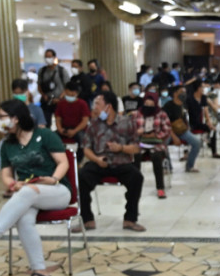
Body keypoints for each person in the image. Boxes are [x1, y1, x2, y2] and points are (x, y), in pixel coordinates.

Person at [0, 99, 70, 276]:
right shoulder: (8, 145)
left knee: (28, 192)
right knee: (23, 219)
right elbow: (6, 175)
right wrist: (13, 184)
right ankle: (40, 272)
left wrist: (54, 179)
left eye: (2, 117)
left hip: (57, 191)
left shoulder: (45, 135)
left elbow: (63, 162)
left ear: (16, 118)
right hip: (28, 193)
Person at [77, 92, 145, 232]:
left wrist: (121, 148)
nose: (94, 107)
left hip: (121, 162)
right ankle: (87, 219)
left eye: (97, 104)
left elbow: (137, 148)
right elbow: (86, 149)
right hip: (99, 162)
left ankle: (130, 219)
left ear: (108, 107)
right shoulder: (94, 125)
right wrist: (96, 159)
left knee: (136, 177)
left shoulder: (126, 122)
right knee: (82, 176)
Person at [139, 94, 172, 199]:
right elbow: (130, 129)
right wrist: (139, 133)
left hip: (157, 143)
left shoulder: (161, 114)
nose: (148, 106)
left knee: (156, 157)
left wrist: (155, 135)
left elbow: (167, 130)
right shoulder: (137, 114)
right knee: (135, 156)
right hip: (141, 143)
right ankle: (135, 187)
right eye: (146, 104)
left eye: (151, 104)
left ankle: (160, 188)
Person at [164, 86, 202, 173]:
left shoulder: (183, 105)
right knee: (162, 145)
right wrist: (174, 137)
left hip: (182, 130)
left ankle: (190, 166)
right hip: (170, 131)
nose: (183, 94)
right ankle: (167, 167)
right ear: (175, 93)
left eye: (185, 92)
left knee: (197, 142)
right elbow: (166, 124)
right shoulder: (168, 106)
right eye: (181, 92)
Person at [186, 80, 220, 160]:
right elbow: (186, 112)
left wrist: (209, 122)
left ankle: (214, 152)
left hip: (200, 122)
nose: (204, 88)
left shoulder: (203, 98)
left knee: (213, 129)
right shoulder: (189, 98)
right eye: (202, 87)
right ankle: (186, 152)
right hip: (192, 123)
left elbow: (206, 111)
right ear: (198, 88)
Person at [37, 49, 70, 125]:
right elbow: (39, 86)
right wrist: (43, 95)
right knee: (45, 122)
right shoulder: (42, 71)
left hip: (59, 101)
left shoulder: (62, 71)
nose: (47, 59)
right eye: (46, 57)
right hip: (46, 101)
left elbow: (67, 87)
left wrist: (60, 98)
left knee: (61, 122)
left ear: (54, 57)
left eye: (49, 56)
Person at [54, 78, 91, 146]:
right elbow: (58, 119)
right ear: (65, 91)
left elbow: (85, 121)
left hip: (79, 129)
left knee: (83, 140)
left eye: (73, 94)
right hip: (64, 128)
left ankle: (80, 156)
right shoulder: (61, 104)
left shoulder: (82, 104)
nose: (71, 95)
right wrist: (60, 129)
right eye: (69, 93)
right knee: (52, 137)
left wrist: (75, 131)